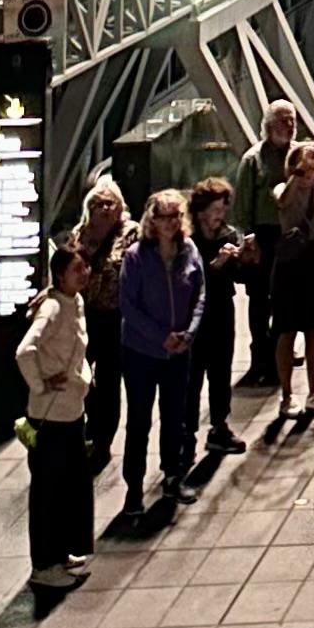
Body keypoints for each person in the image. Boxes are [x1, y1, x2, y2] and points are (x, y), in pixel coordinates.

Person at [115, 186, 205, 530]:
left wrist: (189, 333)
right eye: (163, 216)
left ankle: (172, 475)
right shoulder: (137, 256)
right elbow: (128, 305)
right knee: (139, 420)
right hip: (141, 351)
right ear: (152, 220)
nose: (169, 223)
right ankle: (133, 489)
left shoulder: (189, 251)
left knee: (175, 415)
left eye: (175, 216)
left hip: (179, 351)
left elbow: (200, 295)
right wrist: (160, 337)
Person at [17, 240, 95, 599]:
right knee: (49, 490)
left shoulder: (74, 303)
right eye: (77, 269)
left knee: (70, 485)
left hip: (72, 412)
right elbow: (25, 350)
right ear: (60, 273)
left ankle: (61, 552)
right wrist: (42, 383)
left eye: (86, 267)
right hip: (51, 415)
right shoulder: (51, 308)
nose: (85, 274)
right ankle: (43, 564)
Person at [230, 99, 314, 387]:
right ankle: (260, 357)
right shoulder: (253, 159)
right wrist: (248, 238)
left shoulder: (301, 155)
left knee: (288, 301)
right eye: (284, 120)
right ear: (269, 126)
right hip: (265, 235)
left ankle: (279, 356)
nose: (290, 125)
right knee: (259, 300)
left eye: (293, 119)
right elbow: (242, 204)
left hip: (295, 237)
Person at [268, 135, 314, 424]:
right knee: (287, 330)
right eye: (303, 170)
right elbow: (282, 200)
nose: (308, 175)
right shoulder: (283, 187)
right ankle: (287, 394)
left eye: (311, 169)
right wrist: (295, 177)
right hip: (291, 263)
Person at [186, 177, 249, 461]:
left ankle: (219, 426)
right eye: (215, 209)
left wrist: (245, 259)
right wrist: (216, 265)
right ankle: (185, 434)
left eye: (222, 209)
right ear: (200, 211)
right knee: (192, 374)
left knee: (221, 370)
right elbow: (189, 281)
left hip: (222, 310)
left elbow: (240, 278)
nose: (219, 215)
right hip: (194, 316)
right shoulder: (188, 241)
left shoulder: (228, 235)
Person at [68, 180, 129, 469]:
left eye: (110, 203)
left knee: (109, 378)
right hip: (83, 314)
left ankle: (103, 438)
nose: (105, 208)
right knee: (79, 373)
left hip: (115, 317)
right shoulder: (78, 236)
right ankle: (89, 422)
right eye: (99, 203)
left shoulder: (130, 235)